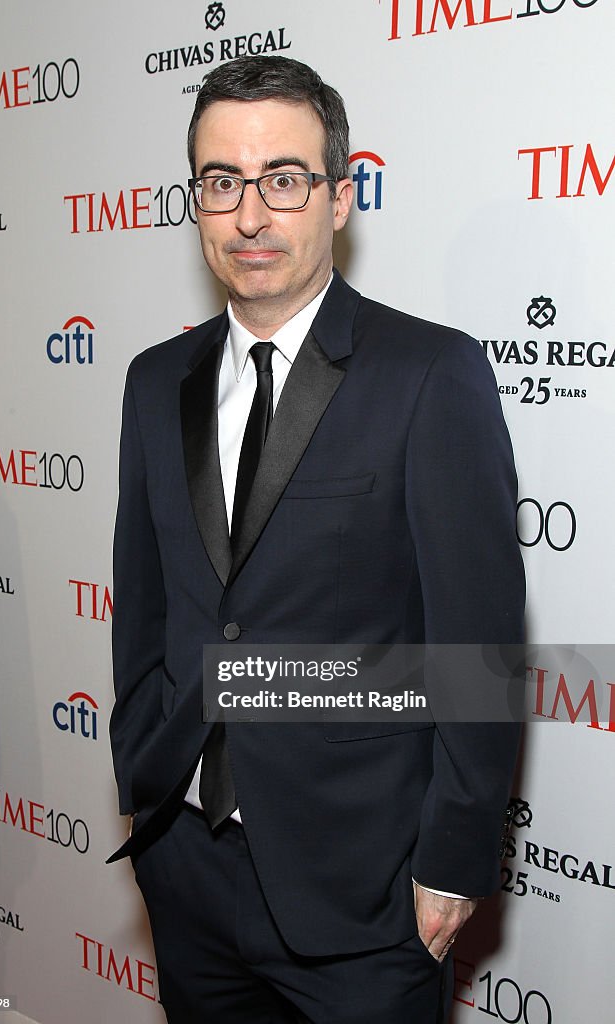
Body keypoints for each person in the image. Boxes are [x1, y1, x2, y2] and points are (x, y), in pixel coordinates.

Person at [108, 55, 525, 1023]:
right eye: (221, 183)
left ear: (339, 196)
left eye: (282, 179)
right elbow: (146, 608)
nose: (250, 215)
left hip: (366, 900)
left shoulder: (430, 376)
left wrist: (451, 862)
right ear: (197, 202)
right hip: (187, 875)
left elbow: (478, 650)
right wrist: (143, 778)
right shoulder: (150, 381)